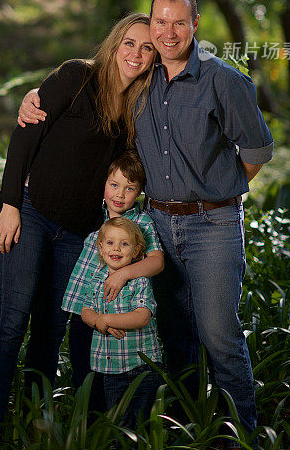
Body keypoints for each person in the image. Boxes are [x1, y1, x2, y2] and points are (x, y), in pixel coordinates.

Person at [18, 0, 274, 439]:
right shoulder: (143, 79)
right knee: (173, 332)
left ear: (195, 24)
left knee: (219, 335)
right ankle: (182, 426)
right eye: (160, 22)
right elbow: (95, 84)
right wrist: (36, 96)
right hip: (154, 222)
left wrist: (216, 192)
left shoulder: (224, 80)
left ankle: (242, 435)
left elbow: (255, 151)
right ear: (151, 25)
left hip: (211, 223)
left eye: (179, 22)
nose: (168, 33)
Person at [0, 12, 156, 427]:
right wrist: (9, 204)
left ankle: (30, 423)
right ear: (115, 43)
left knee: (50, 329)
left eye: (146, 48)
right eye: (130, 43)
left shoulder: (137, 107)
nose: (136, 53)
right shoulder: (77, 77)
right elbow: (26, 133)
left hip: (79, 234)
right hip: (30, 212)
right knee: (11, 322)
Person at [63, 149, 164, 396]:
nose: (119, 194)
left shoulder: (142, 223)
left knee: (111, 381)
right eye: (114, 185)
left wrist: (122, 274)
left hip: (118, 314)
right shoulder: (93, 216)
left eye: (129, 188)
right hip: (85, 311)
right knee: (83, 375)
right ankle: (89, 429)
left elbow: (157, 263)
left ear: (140, 192)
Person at [81, 217, 163, 428]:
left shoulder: (139, 280)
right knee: (118, 422)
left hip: (140, 365)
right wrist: (99, 321)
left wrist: (108, 319)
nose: (116, 249)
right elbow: (86, 310)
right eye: (110, 243)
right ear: (100, 248)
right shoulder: (97, 279)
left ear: (136, 251)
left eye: (124, 244)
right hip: (110, 368)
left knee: (139, 423)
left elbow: (142, 316)